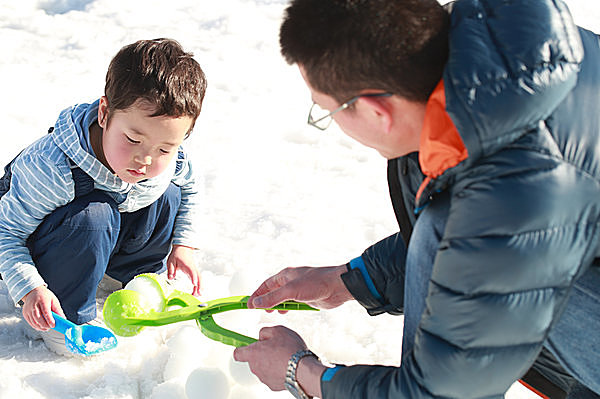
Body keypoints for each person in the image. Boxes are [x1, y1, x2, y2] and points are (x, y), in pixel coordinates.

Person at [233, 0, 600, 398]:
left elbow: (442, 391)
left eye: (326, 110)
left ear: (376, 112)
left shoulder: (521, 184)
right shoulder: (497, 63)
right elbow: (483, 248)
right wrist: (348, 281)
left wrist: (301, 372)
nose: (330, 121)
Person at [0, 38, 206, 355]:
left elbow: (190, 187)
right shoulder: (52, 167)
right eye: (133, 139)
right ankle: (63, 317)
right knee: (94, 215)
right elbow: (6, 232)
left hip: (106, 234)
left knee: (168, 193)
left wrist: (184, 245)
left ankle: (124, 278)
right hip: (47, 246)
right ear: (104, 112)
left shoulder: (164, 154)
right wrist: (30, 289)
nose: (146, 159)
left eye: (165, 148)